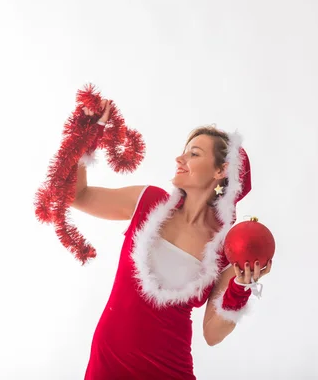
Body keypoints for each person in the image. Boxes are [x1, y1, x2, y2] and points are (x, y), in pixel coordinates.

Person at [72, 98, 273, 379]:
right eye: (183, 152)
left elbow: (212, 334)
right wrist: (88, 134)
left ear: (220, 171)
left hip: (169, 368)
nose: (180, 160)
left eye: (194, 154)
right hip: (110, 360)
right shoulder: (149, 201)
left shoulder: (227, 248)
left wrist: (241, 287)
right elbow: (77, 195)